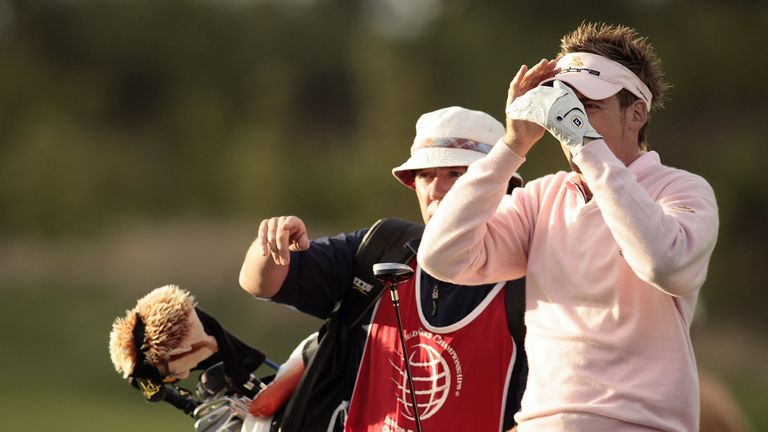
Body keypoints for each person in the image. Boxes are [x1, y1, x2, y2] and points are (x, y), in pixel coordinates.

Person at [418, 22, 719, 431]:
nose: (568, 122)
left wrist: (586, 146)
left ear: (636, 114)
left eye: (588, 108)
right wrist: (512, 145)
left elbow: (664, 265)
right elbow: (442, 258)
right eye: (565, 107)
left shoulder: (683, 190)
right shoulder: (541, 197)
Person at [239, 106, 526, 431]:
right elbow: (260, 284)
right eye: (426, 175)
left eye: (457, 174)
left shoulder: (532, 277)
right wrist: (271, 242)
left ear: (500, 185)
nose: (436, 189)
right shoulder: (383, 246)